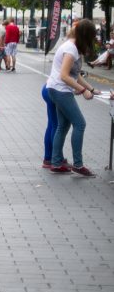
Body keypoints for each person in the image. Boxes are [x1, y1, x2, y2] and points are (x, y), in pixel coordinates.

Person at [44, 20, 102, 176]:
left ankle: (56, 163)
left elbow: (74, 74)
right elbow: (64, 76)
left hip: (56, 88)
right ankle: (78, 164)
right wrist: (83, 91)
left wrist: (91, 89)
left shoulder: (72, 45)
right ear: (86, 35)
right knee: (80, 124)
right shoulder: (71, 49)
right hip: (60, 89)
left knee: (63, 126)